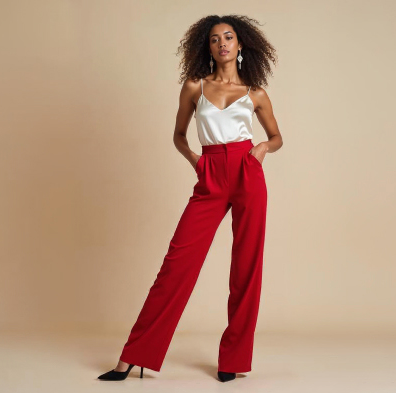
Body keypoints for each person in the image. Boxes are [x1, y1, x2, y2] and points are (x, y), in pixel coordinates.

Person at [98, 14, 282, 383]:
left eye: (229, 37)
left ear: (241, 44)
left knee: (247, 269)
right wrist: (199, 163)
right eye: (215, 39)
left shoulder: (256, 93)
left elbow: (277, 137)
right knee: (177, 264)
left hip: (248, 171)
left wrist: (263, 148)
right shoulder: (195, 86)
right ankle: (135, 356)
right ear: (208, 47)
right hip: (211, 171)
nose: (223, 44)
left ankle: (233, 359)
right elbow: (179, 135)